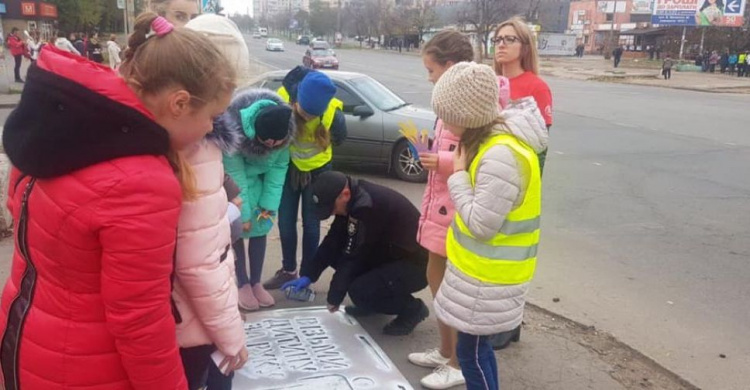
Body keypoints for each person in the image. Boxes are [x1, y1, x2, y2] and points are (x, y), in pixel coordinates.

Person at [0, 11, 236, 389]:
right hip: (87, 367)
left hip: (24, 337)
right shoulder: (143, 182)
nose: (211, 127)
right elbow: (139, 319)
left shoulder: (58, 127)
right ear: (178, 104)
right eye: (212, 115)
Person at [431, 62, 547, 390]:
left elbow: (482, 224)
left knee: (470, 353)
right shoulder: (488, 144)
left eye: (446, 114)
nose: (443, 121)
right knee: (477, 350)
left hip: (490, 277)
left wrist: (456, 176)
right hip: (483, 274)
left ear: (466, 115)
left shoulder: (500, 155)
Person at [281, 171, 430, 336]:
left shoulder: (368, 206)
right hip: (389, 253)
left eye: (331, 208)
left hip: (416, 266)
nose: (331, 213)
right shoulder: (352, 198)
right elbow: (333, 241)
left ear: (344, 194)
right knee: (338, 259)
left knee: (360, 292)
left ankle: (413, 309)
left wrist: (334, 298)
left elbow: (354, 255)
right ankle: (372, 303)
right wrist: (309, 274)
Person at [407, 29, 474, 390]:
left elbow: (478, 154)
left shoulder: (472, 104)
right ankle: (445, 349)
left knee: (450, 292)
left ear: (450, 67)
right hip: (439, 207)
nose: (429, 77)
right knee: (437, 284)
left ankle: (456, 361)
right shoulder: (449, 104)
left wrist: (443, 160)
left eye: (432, 70)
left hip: (454, 210)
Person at [262, 67, 347, 289]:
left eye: (313, 115)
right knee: (286, 221)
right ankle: (289, 270)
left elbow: (339, 139)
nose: (308, 118)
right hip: (288, 167)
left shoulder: (333, 113)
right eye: (305, 112)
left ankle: (307, 275)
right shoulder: (280, 100)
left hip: (319, 172)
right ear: (296, 98)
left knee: (311, 224)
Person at [214, 87, 294, 313]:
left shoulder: (283, 137)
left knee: (261, 229)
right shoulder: (236, 131)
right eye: (266, 140)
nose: (271, 144)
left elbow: (278, 172)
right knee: (239, 230)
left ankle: (256, 282)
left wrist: (268, 207)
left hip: (259, 183)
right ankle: (242, 283)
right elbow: (235, 175)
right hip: (235, 185)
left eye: (276, 142)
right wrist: (244, 214)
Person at [493, 17, 553, 171]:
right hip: (485, 168)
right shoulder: (489, 83)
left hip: (516, 172)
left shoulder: (537, 88)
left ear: (525, 47)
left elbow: (540, 146)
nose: (501, 45)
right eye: (497, 39)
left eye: (510, 39)